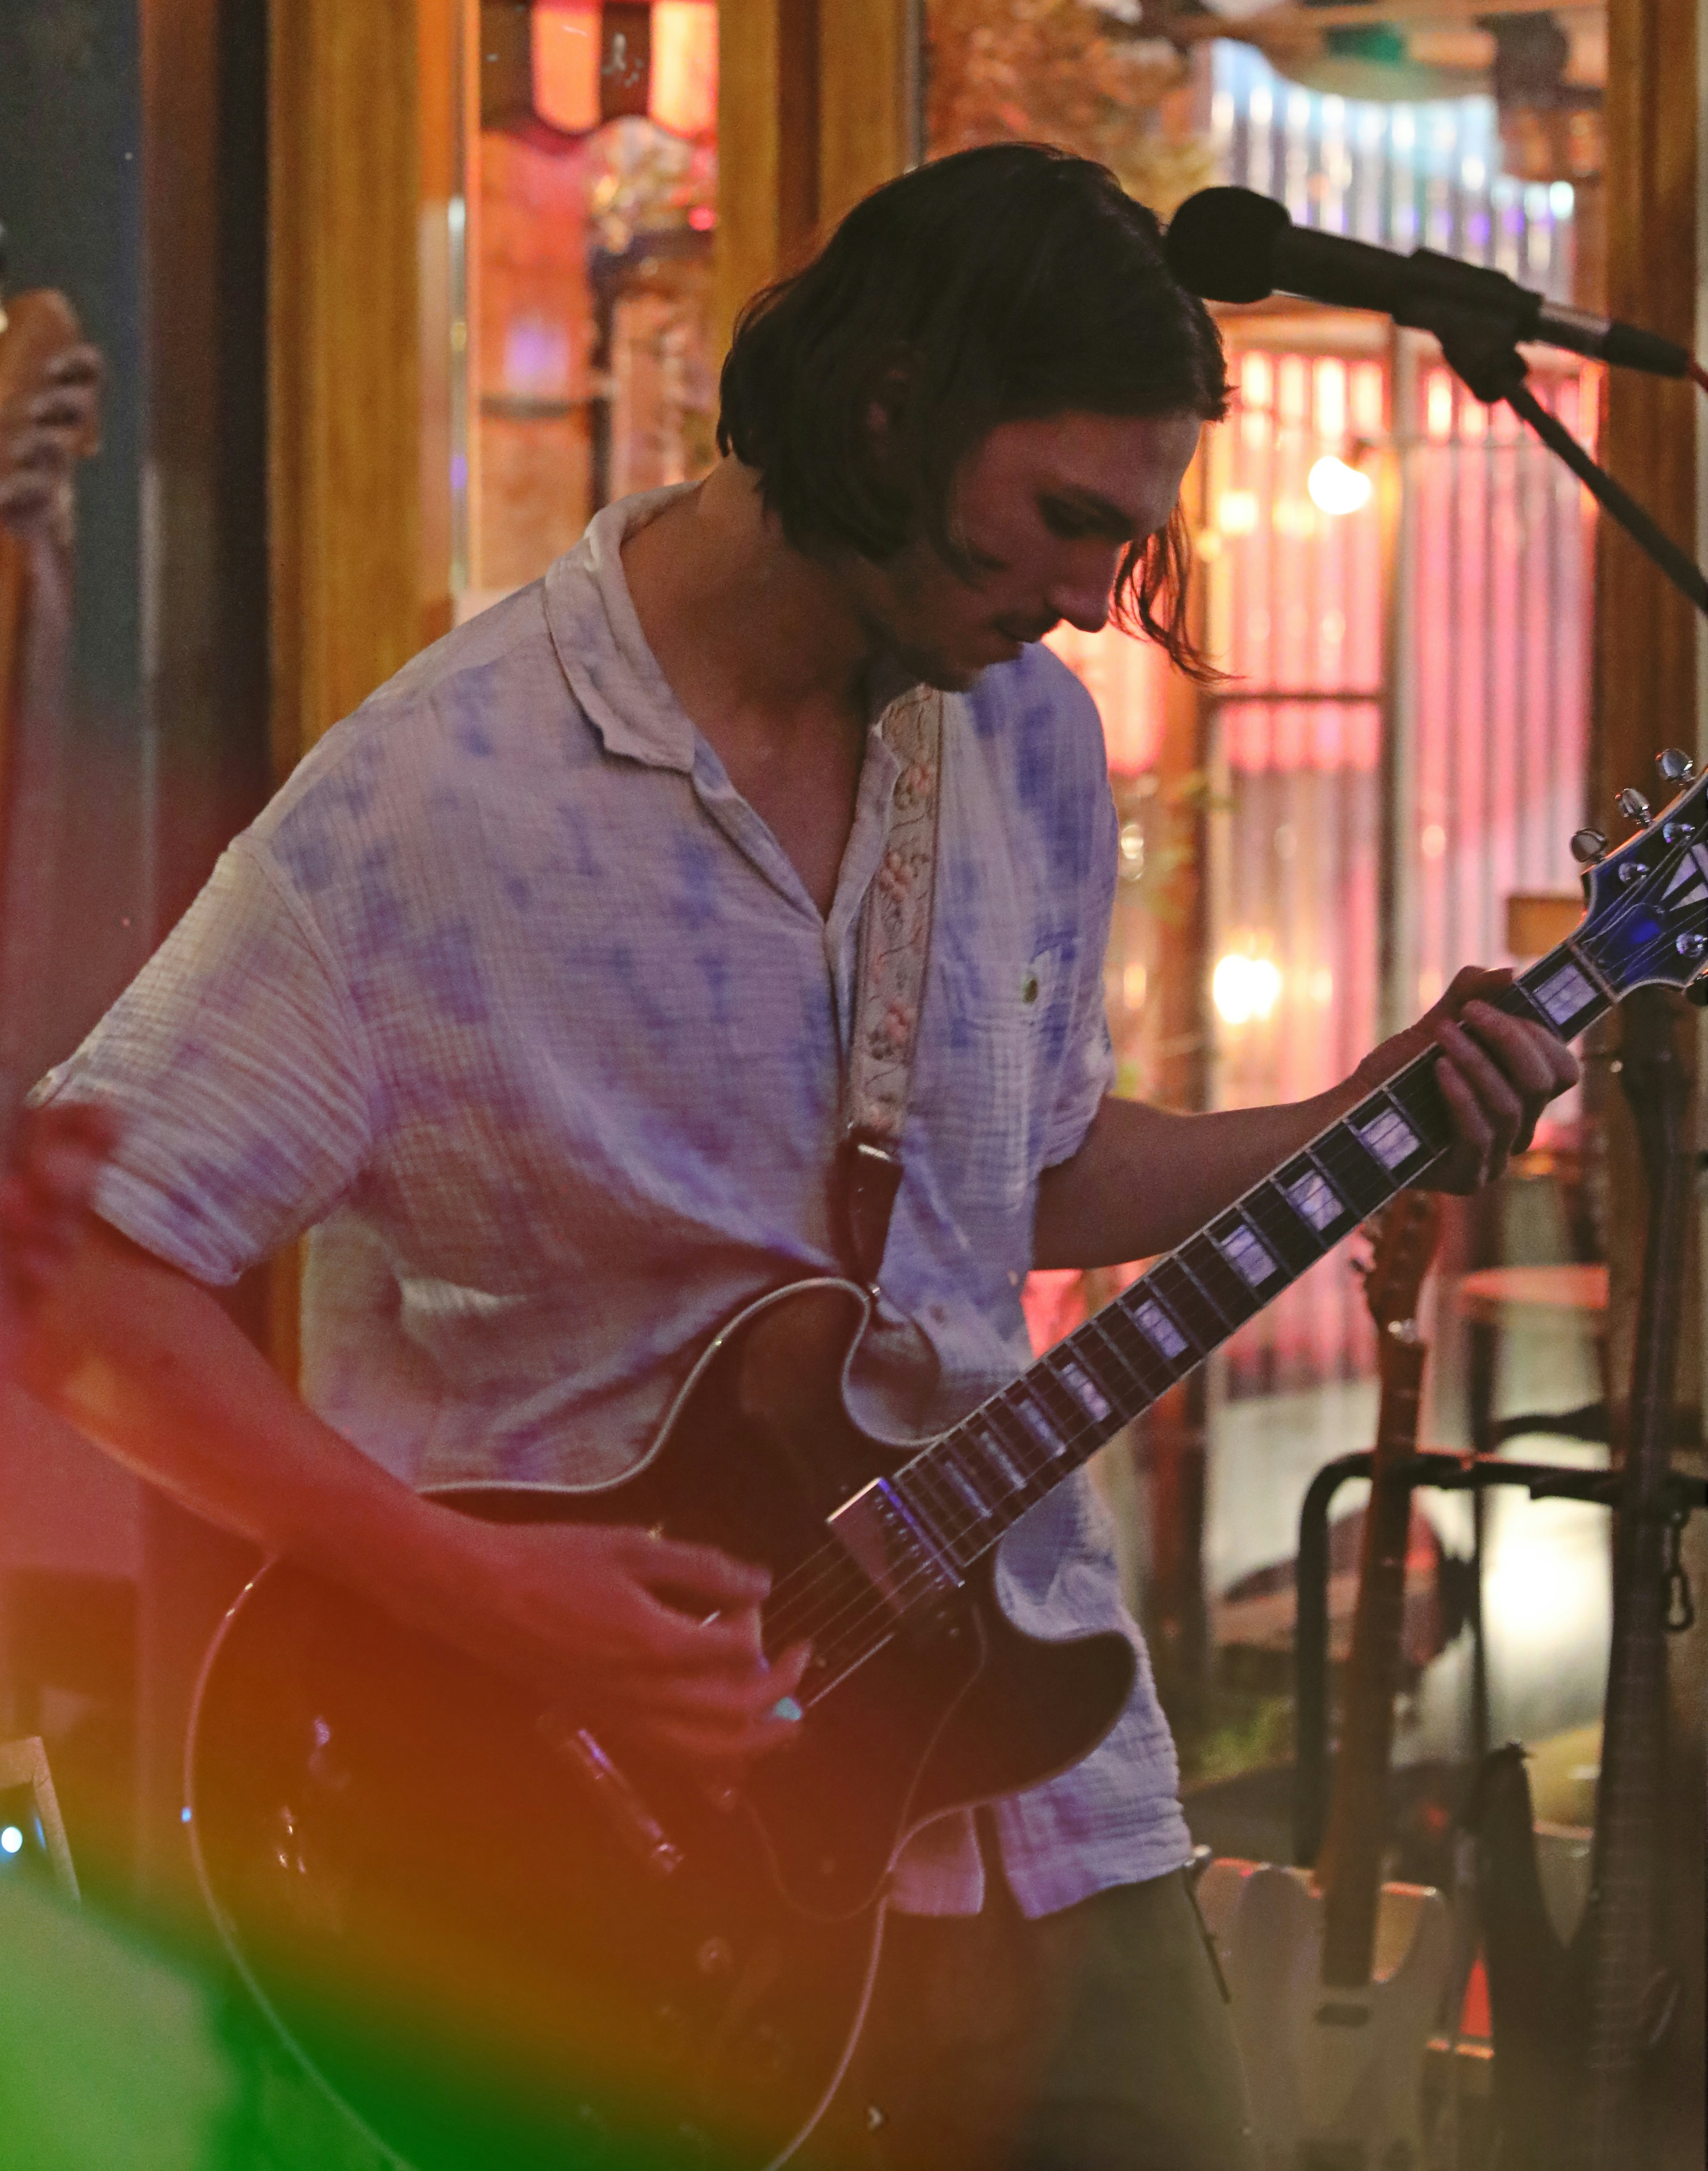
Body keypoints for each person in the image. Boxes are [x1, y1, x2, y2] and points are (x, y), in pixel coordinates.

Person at [0, 145, 1576, 2170]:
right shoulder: (438, 807)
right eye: (1065, 521)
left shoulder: (1013, 736)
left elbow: (1024, 1178)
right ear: (880, 417)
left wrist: (1367, 1112)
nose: (1096, 600)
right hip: (605, 1852)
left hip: (1025, 1776)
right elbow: (85, 1288)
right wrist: (489, 1599)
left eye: (1129, 540)